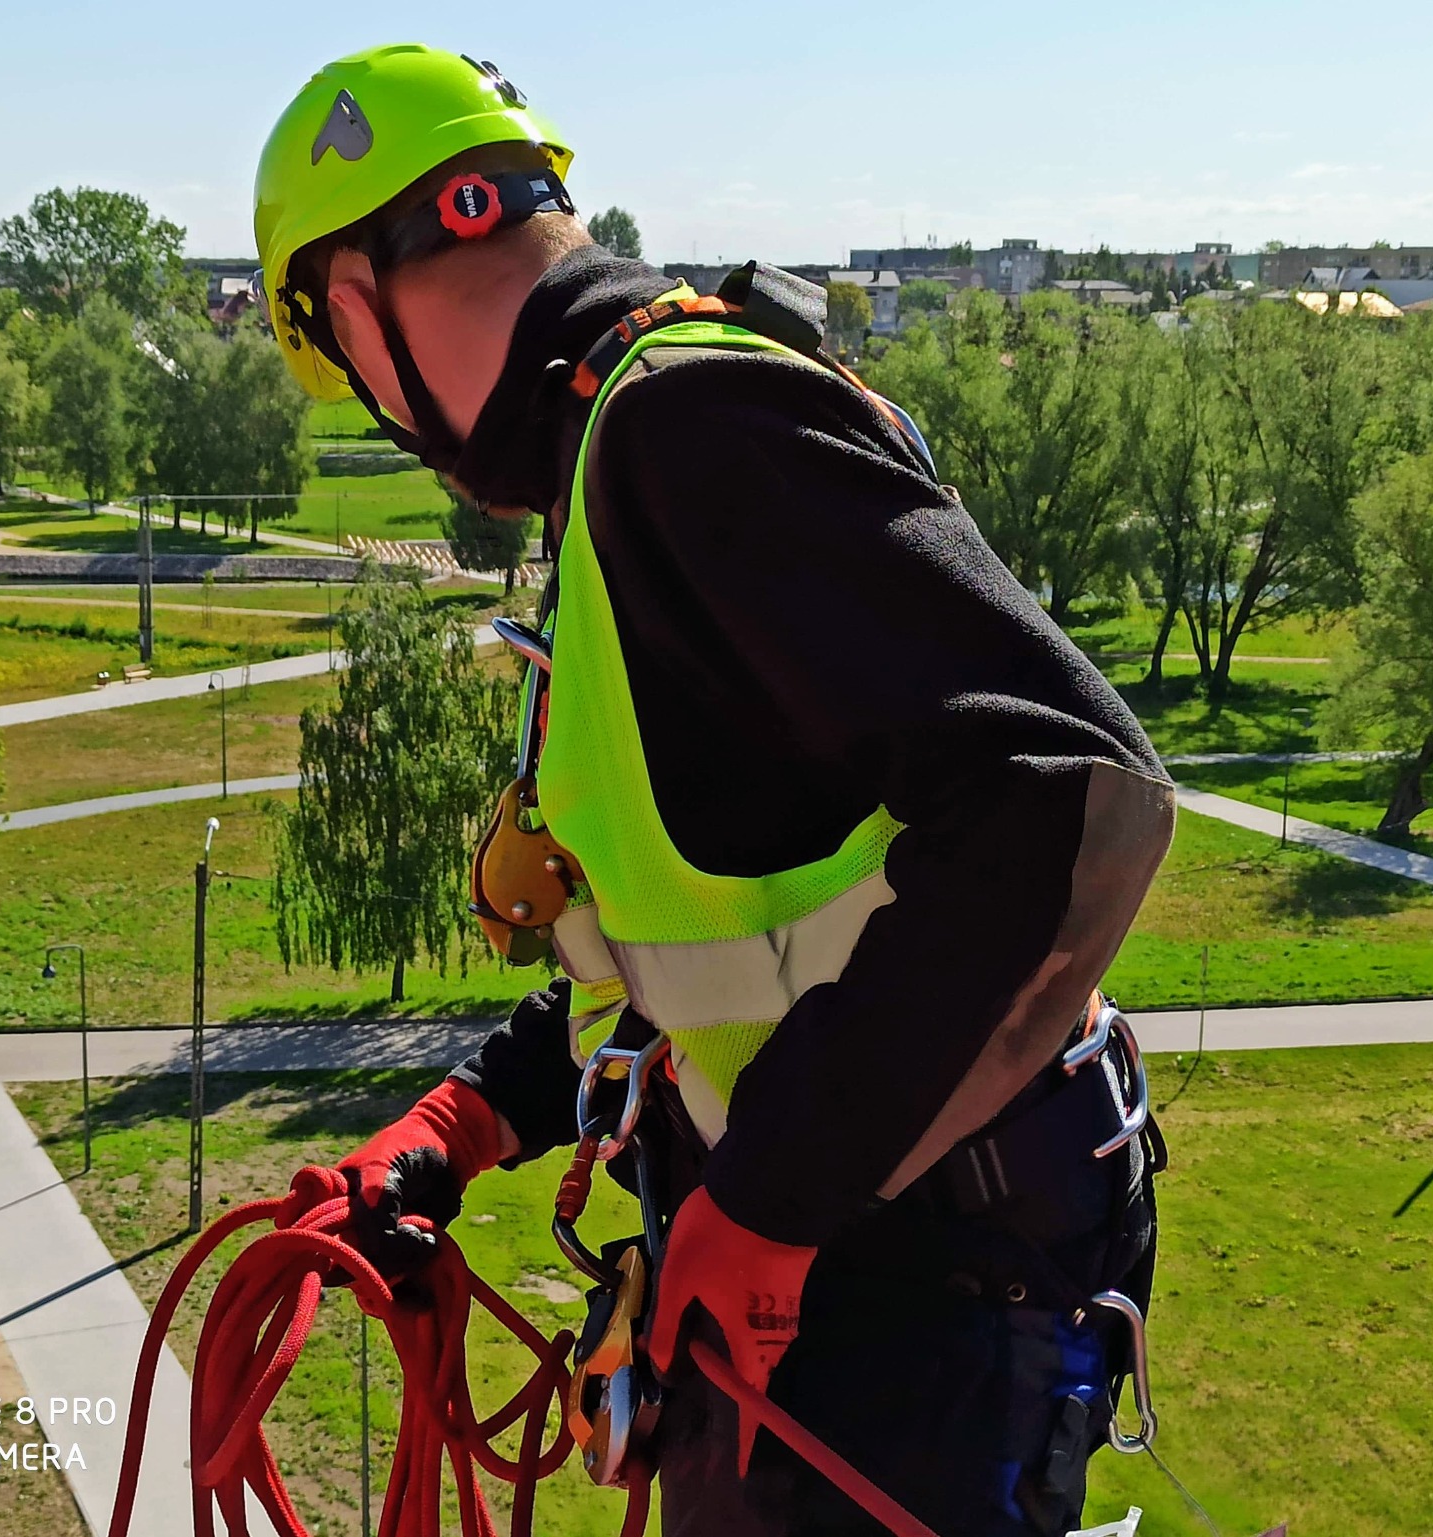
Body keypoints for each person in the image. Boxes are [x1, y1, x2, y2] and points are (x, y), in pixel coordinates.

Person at [254, 43, 1177, 1537]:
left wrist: (764, 1207)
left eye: (339, 369)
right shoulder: (628, 454)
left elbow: (1060, 789)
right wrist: (466, 1119)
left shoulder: (688, 428)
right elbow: (723, 940)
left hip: (915, 1291)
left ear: (351, 306)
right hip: (862, 1257)